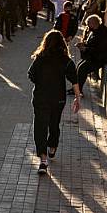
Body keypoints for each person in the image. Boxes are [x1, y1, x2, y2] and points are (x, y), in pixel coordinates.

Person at [28, 30, 75, 175]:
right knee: (54, 124)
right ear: (62, 43)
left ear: (45, 42)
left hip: (41, 97)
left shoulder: (39, 58)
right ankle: (52, 147)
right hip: (58, 98)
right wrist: (78, 97)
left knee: (40, 127)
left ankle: (43, 160)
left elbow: (31, 75)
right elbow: (74, 79)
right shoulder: (66, 60)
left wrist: (42, 82)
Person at [72, 15, 107, 100]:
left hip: (99, 59)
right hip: (93, 56)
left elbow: (100, 49)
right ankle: (76, 89)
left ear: (94, 23)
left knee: (82, 68)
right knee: (78, 66)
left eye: (88, 24)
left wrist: (86, 48)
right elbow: (92, 44)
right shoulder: (95, 31)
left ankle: (79, 91)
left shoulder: (103, 33)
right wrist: (84, 45)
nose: (87, 26)